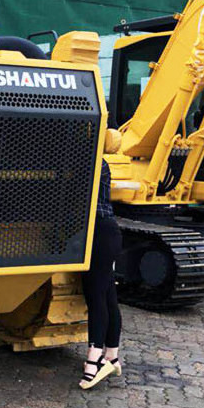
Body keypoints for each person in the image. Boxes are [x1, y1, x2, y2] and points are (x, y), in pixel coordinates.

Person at [79, 150, 123, 390]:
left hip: (99, 235)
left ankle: (93, 362)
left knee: (96, 296)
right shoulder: (100, 161)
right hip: (105, 233)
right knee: (107, 295)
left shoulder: (91, 162)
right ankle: (112, 355)